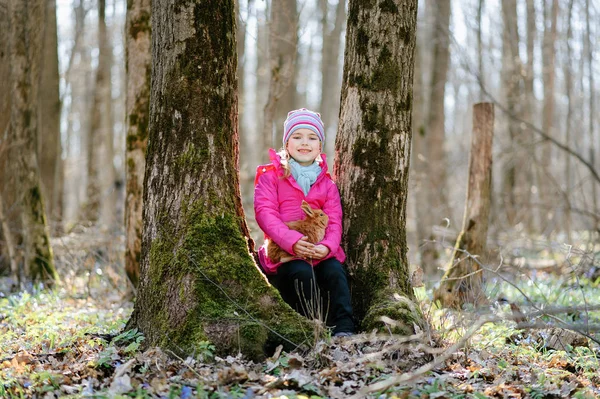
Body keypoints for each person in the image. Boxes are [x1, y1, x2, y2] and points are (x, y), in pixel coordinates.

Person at [254, 108, 354, 337]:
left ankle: (344, 327)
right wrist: (293, 241)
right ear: (287, 143)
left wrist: (327, 247)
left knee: (335, 272)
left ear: (320, 146)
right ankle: (308, 327)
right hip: (285, 252)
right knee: (301, 273)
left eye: (312, 138)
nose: (304, 143)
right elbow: (264, 212)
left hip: (319, 252)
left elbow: (334, 220)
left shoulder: (327, 184)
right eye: (297, 137)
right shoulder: (272, 176)